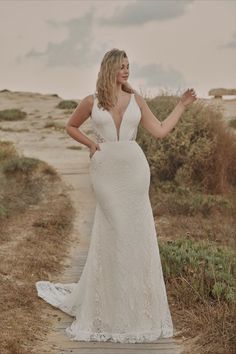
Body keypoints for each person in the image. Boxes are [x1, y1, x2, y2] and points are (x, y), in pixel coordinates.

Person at [35, 48, 197, 343]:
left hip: (135, 172)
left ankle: (136, 308)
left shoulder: (136, 99)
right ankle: (108, 307)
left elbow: (159, 130)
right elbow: (70, 126)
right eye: (122, 66)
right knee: (116, 232)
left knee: (135, 236)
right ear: (109, 68)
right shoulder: (91, 101)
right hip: (106, 173)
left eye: (128, 66)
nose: (127, 71)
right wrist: (91, 144)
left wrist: (181, 106)